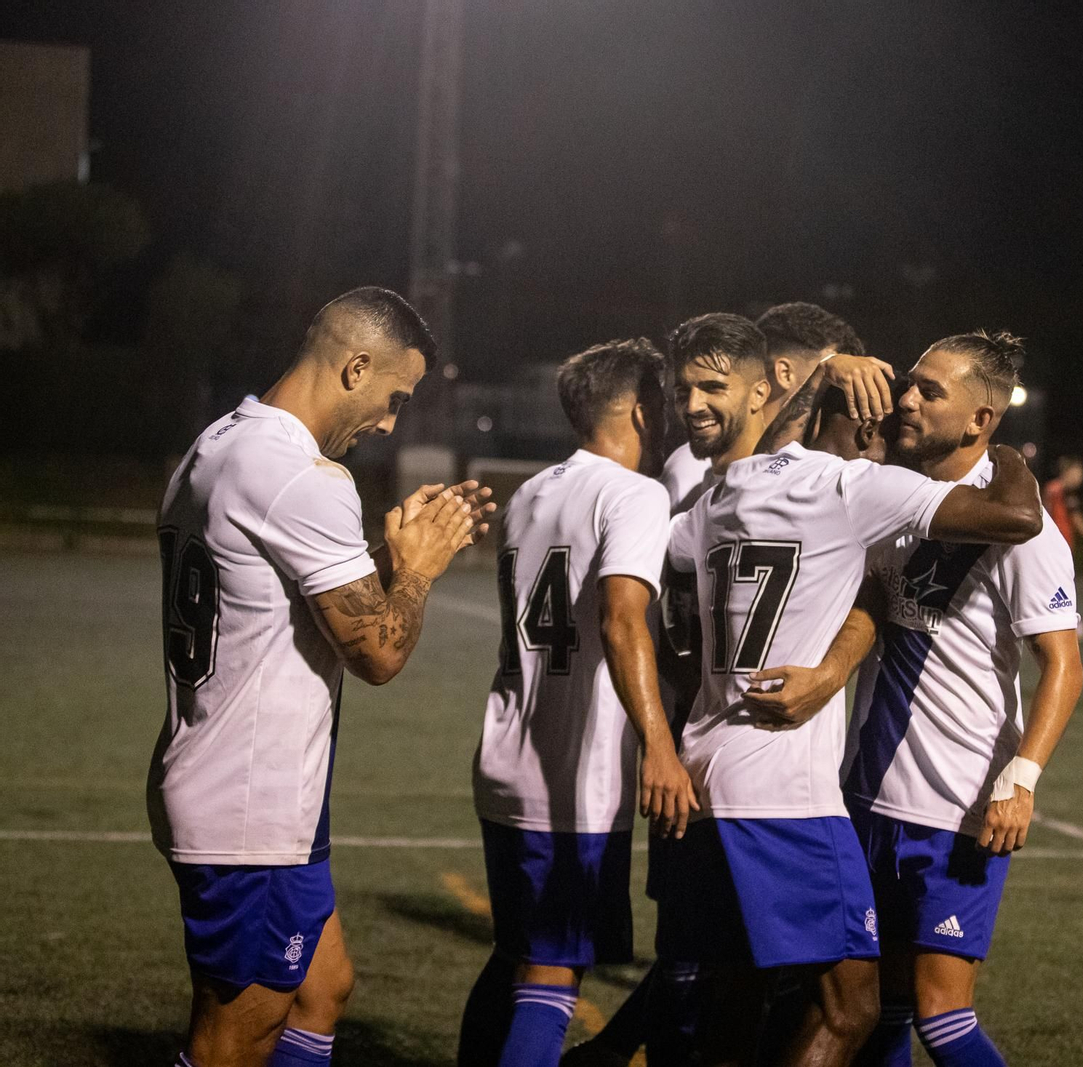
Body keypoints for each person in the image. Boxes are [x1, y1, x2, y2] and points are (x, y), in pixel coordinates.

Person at [661, 343, 1043, 1067]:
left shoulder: (725, 492)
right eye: (891, 404)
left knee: (734, 990)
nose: (901, 413)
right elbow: (1017, 515)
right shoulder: (852, 488)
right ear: (860, 427)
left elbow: (678, 559)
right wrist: (1006, 452)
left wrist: (835, 667)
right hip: (784, 789)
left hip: (704, 766)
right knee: (852, 1004)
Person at [148, 287, 493, 1067]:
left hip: (236, 782)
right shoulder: (304, 475)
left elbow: (284, 603)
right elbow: (378, 652)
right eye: (393, 398)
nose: (390, 423)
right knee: (236, 1034)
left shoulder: (217, 444)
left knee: (320, 988)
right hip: (250, 802)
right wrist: (418, 570)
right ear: (356, 365)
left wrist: (384, 562)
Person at [563, 310, 888, 1067]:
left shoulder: (743, 473)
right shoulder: (703, 473)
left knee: (727, 976)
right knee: (721, 979)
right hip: (727, 761)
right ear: (781, 379)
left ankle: (607, 1050)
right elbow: (640, 611)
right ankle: (611, 1050)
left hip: (709, 751)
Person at [751, 332, 1083, 1067]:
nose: (906, 398)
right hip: (862, 798)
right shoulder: (899, 496)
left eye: (930, 391)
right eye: (909, 383)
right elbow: (873, 597)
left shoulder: (1022, 532)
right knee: (872, 1008)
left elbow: (1063, 664)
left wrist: (1020, 780)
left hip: (956, 809)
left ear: (980, 420)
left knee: (943, 1016)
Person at [455, 339, 700, 1067]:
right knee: (555, 969)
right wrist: (659, 744)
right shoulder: (635, 494)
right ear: (638, 408)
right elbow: (621, 618)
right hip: (573, 770)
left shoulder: (532, 492)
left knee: (516, 952)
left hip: (507, 755)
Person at [657, 301, 866, 514]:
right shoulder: (690, 468)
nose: (832, 386)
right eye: (827, 375)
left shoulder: (827, 470)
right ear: (783, 373)